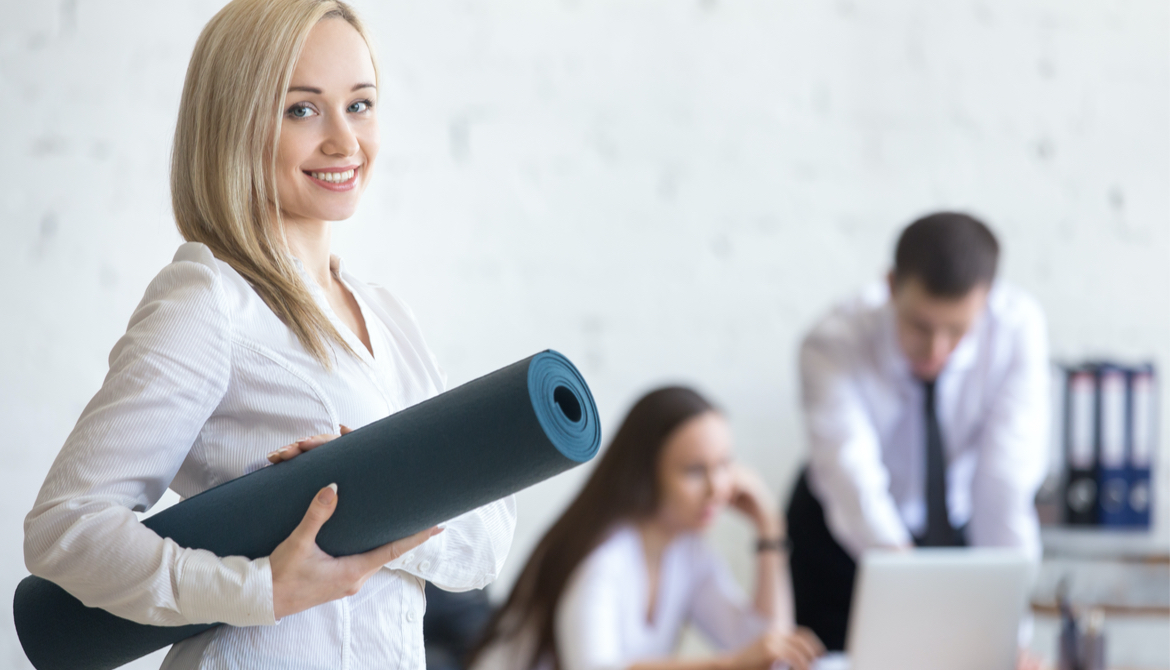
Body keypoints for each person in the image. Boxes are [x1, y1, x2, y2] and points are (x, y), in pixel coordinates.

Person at [22, 1, 515, 668]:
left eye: (361, 104)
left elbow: (486, 545)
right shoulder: (210, 302)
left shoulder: (390, 317)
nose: (345, 141)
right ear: (238, 123)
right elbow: (66, 525)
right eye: (301, 109)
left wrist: (377, 493)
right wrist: (257, 589)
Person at [786, 212, 1049, 651]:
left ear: (987, 300)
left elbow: (1003, 486)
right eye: (920, 327)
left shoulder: (1017, 329)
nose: (937, 350)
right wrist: (910, 591)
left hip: (957, 523)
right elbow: (851, 474)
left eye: (957, 330)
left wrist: (1011, 631)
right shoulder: (832, 341)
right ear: (890, 286)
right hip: (844, 532)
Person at [469, 387, 824, 670]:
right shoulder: (602, 555)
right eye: (695, 471)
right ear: (645, 473)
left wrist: (770, 529)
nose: (719, 487)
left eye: (725, 464)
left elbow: (769, 653)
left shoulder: (688, 550)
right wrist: (729, 665)